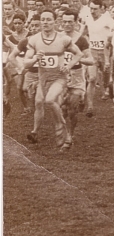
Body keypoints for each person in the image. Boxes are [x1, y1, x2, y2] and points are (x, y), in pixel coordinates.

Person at [21, 9, 82, 147]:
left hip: (59, 77)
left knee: (49, 100)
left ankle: (61, 127)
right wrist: (35, 58)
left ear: (55, 22)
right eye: (43, 19)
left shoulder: (63, 39)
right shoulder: (34, 39)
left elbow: (78, 54)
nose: (45, 22)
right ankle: (37, 131)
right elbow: (26, 63)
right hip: (43, 79)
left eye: (48, 19)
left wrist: (69, 65)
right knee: (39, 102)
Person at [59, 9, 93, 149]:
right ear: (61, 22)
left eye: (70, 22)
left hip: (76, 77)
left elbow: (90, 60)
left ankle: (70, 136)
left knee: (71, 110)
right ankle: (65, 133)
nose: (67, 24)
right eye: (65, 21)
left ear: (76, 23)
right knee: (61, 109)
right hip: (60, 78)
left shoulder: (81, 39)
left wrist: (77, 60)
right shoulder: (56, 37)